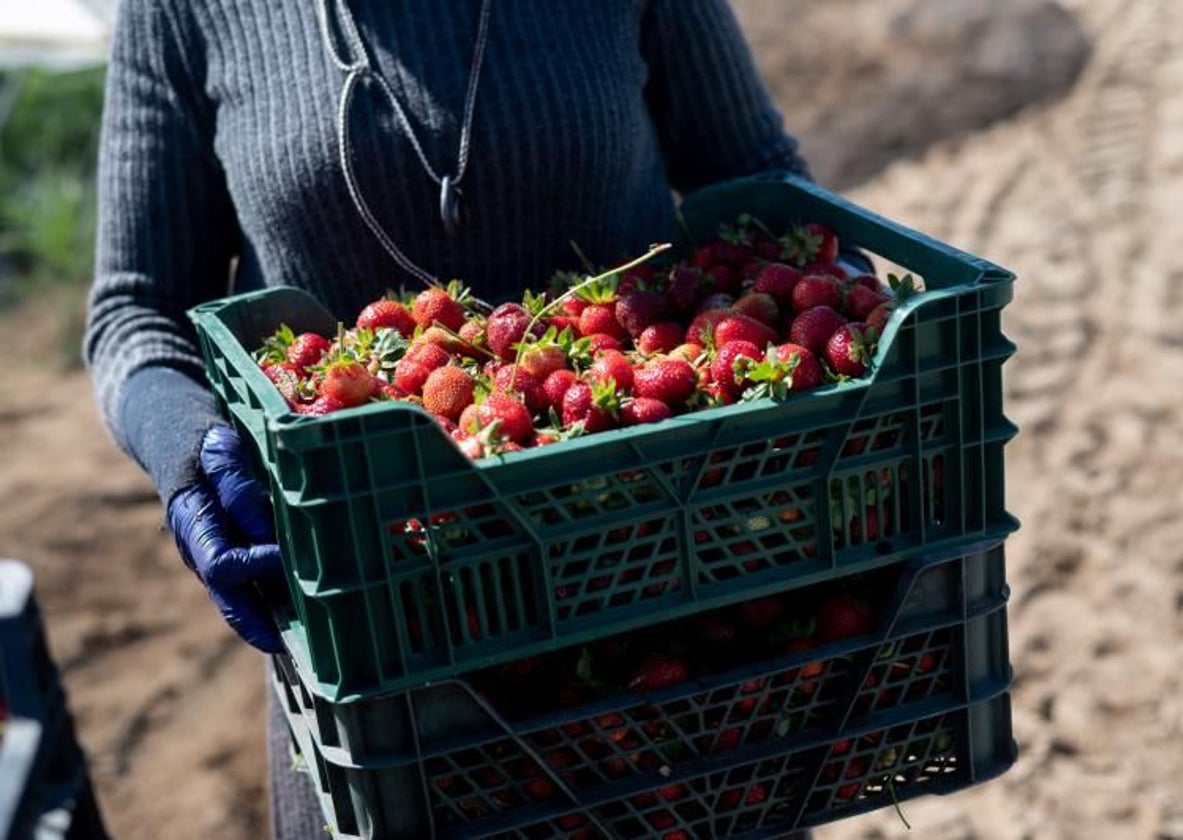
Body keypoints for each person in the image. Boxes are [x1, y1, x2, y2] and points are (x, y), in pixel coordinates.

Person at [86, 1, 845, 836]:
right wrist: (185, 447)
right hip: (377, 649)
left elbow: (758, 181)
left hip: (663, 596)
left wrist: (855, 334)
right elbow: (135, 311)